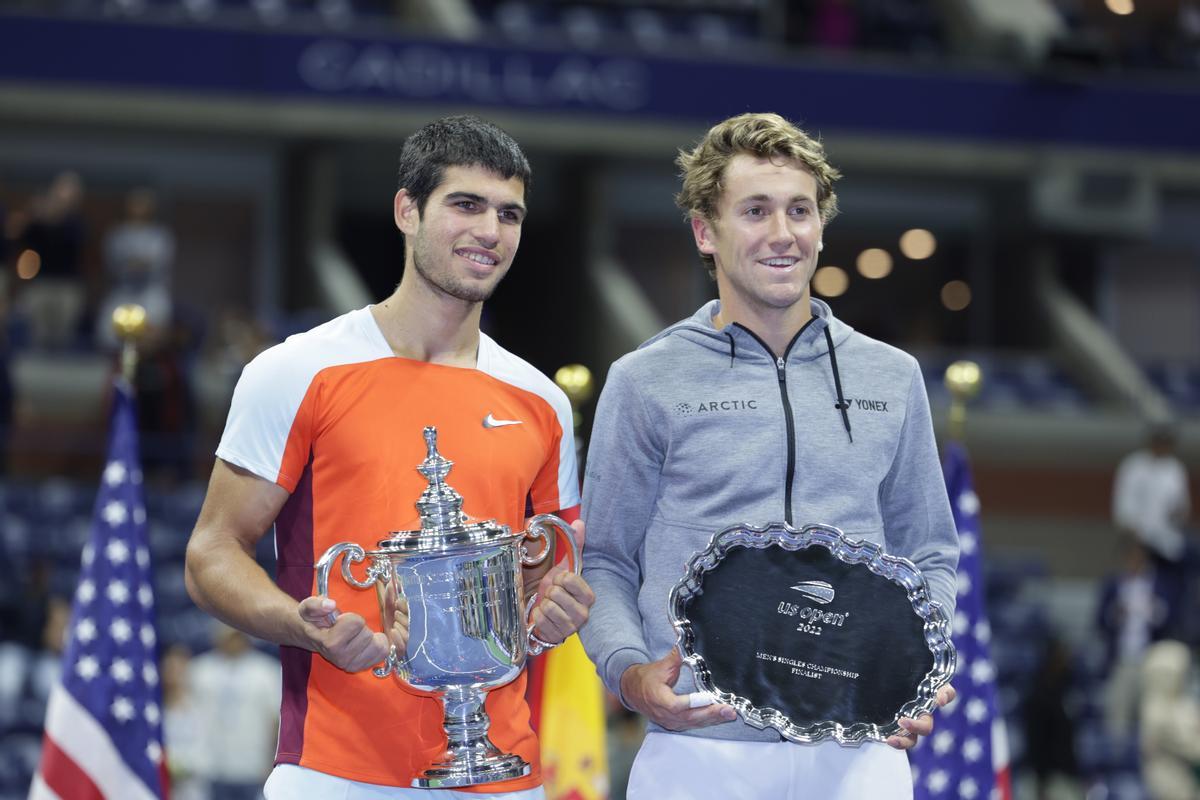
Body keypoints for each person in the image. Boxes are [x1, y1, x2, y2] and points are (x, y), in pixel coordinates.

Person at [185, 115, 594, 799]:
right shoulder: (297, 371)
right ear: (407, 210)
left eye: (509, 213)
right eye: (465, 205)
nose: (490, 232)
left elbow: (553, 568)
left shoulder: (541, 401)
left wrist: (559, 605)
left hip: (502, 772)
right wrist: (301, 625)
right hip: (334, 768)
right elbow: (211, 555)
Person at [578, 112, 958, 799]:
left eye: (800, 211)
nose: (783, 234)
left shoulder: (891, 377)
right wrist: (629, 670)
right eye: (755, 211)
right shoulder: (645, 380)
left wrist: (912, 668)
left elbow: (928, 551)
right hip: (699, 742)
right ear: (705, 231)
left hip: (859, 747)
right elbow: (604, 557)